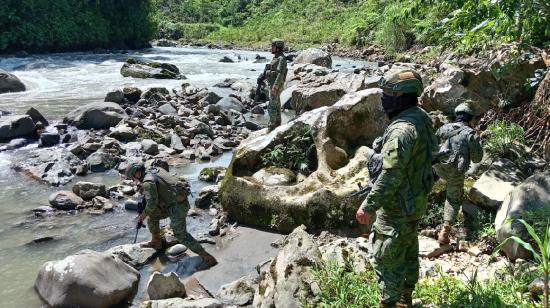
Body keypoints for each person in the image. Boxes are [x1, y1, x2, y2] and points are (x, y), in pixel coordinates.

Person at [356, 69, 437, 308]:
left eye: (389, 92)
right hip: (416, 201)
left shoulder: (401, 131)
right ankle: (405, 299)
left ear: (402, 96)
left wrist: (368, 206)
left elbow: (391, 174)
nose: (384, 97)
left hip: (397, 205)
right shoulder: (421, 117)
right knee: (408, 247)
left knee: (386, 257)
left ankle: (391, 302)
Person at [126, 162, 218, 270]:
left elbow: (151, 204)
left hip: (177, 207)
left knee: (180, 234)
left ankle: (208, 259)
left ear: (137, 173)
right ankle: (157, 242)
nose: (134, 180)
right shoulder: (155, 170)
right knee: (152, 217)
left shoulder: (147, 182)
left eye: (133, 177)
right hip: (174, 203)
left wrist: (142, 216)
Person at [434, 102, 483, 245]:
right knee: (452, 198)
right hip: (456, 169)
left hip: (439, 166)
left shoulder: (442, 129)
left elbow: (433, 146)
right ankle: (445, 232)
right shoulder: (470, 133)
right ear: (470, 118)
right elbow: (477, 158)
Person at [258, 39, 287, 130]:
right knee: (277, 105)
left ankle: (271, 125)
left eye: (273, 46)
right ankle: (277, 124)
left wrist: (275, 86)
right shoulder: (276, 57)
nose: (271, 48)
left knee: (272, 106)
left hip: (276, 85)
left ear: (278, 48)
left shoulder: (281, 58)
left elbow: (280, 73)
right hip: (273, 84)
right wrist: (263, 76)